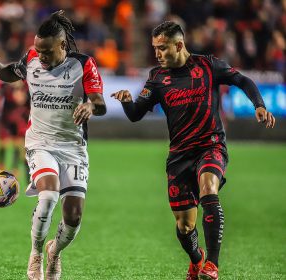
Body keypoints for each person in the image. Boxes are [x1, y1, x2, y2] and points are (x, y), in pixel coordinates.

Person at [111, 21, 275, 280]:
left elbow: (241, 79)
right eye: (155, 48)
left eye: (163, 48)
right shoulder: (156, 78)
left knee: (209, 188)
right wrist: (127, 102)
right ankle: (197, 260)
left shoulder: (207, 65)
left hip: (211, 146)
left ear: (179, 45)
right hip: (179, 156)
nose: (157, 54)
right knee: (184, 225)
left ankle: (212, 264)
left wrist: (259, 104)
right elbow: (135, 115)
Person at [0, 10, 106, 280]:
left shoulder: (83, 64)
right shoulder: (33, 58)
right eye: (38, 51)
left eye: (47, 52)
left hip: (73, 148)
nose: (41, 57)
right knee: (48, 196)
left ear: (62, 45)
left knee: (73, 217)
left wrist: (89, 106)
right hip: (40, 143)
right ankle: (36, 253)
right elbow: (11, 72)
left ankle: (54, 252)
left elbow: (99, 102)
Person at [0, 81, 30, 176]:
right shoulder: (5, 86)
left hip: (19, 120)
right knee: (3, 144)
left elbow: (21, 100)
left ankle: (15, 169)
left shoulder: (25, 86)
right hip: (6, 119)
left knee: (19, 146)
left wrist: (19, 89)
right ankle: (1, 167)